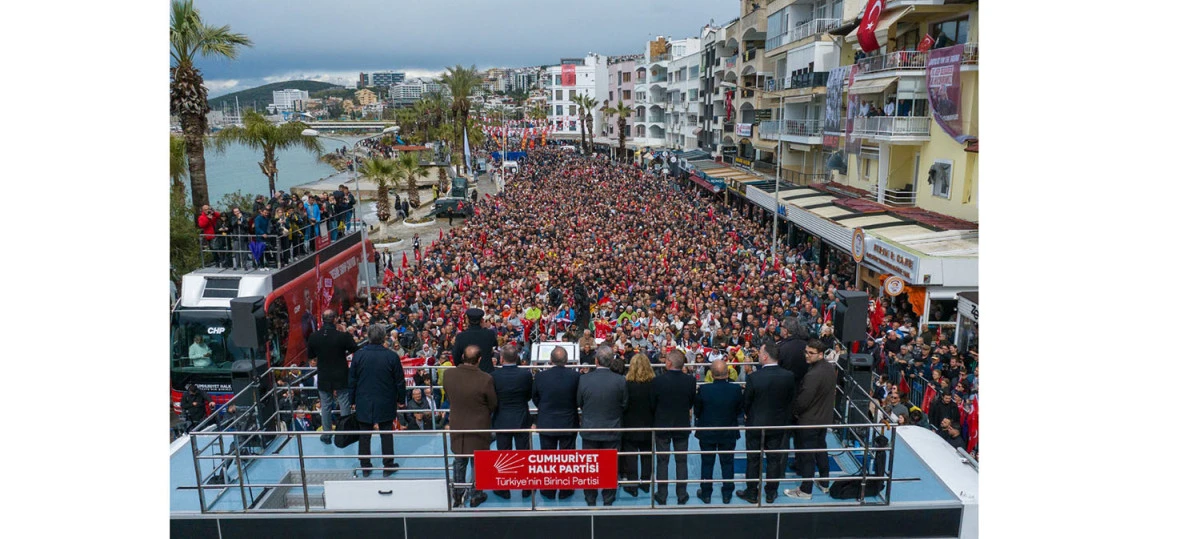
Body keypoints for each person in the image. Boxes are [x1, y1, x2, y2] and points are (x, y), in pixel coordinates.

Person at [737, 341, 795, 504]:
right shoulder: (788, 376)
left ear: (765, 356)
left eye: (760, 353)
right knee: (774, 459)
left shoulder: (755, 377)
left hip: (756, 424)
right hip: (777, 424)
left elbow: (746, 402)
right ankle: (771, 493)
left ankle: (751, 493)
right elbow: (790, 401)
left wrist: (749, 415)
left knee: (753, 459)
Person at [347, 324, 407, 477]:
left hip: (363, 401)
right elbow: (399, 381)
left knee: (364, 434)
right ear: (383, 338)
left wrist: (351, 400)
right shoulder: (391, 356)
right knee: (386, 433)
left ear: (368, 337)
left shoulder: (358, 356)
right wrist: (401, 400)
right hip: (386, 401)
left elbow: (352, 380)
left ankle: (365, 466)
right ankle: (388, 465)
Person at [442, 344, 498, 507]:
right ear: (479, 360)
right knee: (478, 462)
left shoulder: (448, 375)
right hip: (479, 427)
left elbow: (449, 396)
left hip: (458, 425)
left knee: (459, 460)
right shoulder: (485, 378)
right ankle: (476, 494)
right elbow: (493, 403)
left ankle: (458, 494)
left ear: (462, 358)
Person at [784, 340, 838, 500]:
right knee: (821, 449)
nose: (807, 355)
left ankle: (805, 490)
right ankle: (824, 482)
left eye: (811, 353)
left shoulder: (813, 374)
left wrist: (794, 411)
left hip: (809, 421)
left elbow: (803, 400)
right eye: (806, 352)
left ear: (820, 354)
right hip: (823, 418)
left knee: (808, 456)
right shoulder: (829, 368)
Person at [576, 344, 628, 506]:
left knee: (590, 465)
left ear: (596, 360)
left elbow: (580, 403)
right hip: (612, 429)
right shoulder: (620, 380)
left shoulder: (584, 379)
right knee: (610, 465)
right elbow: (624, 404)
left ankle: (590, 497)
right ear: (612, 361)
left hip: (590, 429)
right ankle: (608, 497)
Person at [530, 345, 580, 500]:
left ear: (550, 360)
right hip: (568, 421)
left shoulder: (540, 377)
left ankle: (548, 489)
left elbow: (535, 397)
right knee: (567, 458)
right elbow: (578, 399)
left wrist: (544, 409)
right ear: (566, 360)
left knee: (548, 458)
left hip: (547, 421)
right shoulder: (575, 376)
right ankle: (566, 489)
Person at [651, 349, 696, 506]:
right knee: (681, 461)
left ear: (669, 363)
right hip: (681, 424)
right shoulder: (690, 381)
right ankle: (682, 495)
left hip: (662, 425)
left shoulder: (657, 381)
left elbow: (653, 404)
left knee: (662, 461)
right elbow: (691, 401)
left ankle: (662, 495)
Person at [694, 359, 742, 504]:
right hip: (728, 432)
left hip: (708, 432)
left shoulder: (704, 389)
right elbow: (739, 411)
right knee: (727, 463)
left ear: (711, 374)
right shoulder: (736, 389)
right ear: (728, 373)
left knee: (707, 463)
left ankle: (706, 494)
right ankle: (727, 494)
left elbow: (697, 411)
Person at [307, 310, 359, 444]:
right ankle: (346, 433)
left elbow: (311, 355)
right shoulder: (342, 336)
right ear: (335, 319)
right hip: (340, 374)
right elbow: (355, 349)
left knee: (325, 406)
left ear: (323, 320)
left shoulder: (314, 337)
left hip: (324, 375)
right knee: (344, 403)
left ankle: (326, 435)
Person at [489, 344, 533, 499]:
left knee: (504, 455)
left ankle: (504, 489)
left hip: (502, 418)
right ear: (518, 358)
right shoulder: (525, 375)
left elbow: (493, 398)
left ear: (501, 359)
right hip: (521, 417)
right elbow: (528, 396)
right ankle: (527, 488)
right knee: (524, 453)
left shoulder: (494, 376)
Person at [774, 317, 808, 474]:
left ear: (786, 330)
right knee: (801, 434)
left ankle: (779, 469)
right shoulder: (806, 346)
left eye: (781, 327)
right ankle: (802, 466)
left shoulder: (781, 348)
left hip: (785, 397)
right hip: (804, 394)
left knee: (784, 435)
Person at [620, 353, 655, 497]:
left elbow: (623, 405)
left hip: (630, 425)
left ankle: (632, 485)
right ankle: (646, 484)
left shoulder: (626, 384)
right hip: (648, 424)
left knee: (631, 456)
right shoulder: (653, 384)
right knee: (647, 455)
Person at [452, 308, 499, 373]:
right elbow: (494, 346)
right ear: (482, 320)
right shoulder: (489, 334)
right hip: (486, 373)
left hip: (467, 373)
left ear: (468, 320)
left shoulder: (461, 336)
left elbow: (456, 357)